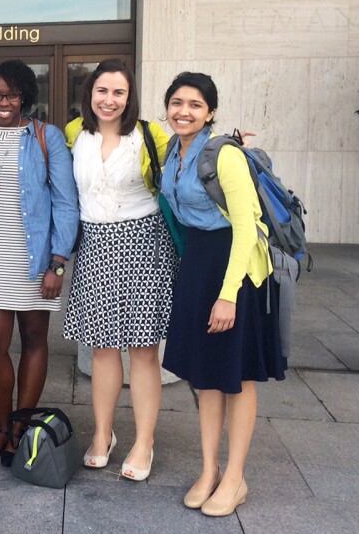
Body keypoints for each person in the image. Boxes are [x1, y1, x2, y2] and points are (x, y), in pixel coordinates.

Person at [159, 72, 285, 516]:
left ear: (210, 113)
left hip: (237, 270)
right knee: (205, 372)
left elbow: (247, 227)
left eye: (195, 104)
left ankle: (235, 478)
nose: (184, 111)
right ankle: (210, 469)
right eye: (177, 102)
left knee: (237, 373)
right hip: (197, 263)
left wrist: (228, 294)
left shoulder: (224, 155)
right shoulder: (172, 151)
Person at [61, 59, 179, 480]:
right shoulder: (75, 134)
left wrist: (228, 145)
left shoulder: (149, 134)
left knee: (144, 351)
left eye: (118, 93)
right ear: (89, 93)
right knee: (102, 348)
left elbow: (190, 156)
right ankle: (103, 434)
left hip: (146, 243)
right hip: (95, 246)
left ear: (130, 98)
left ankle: (144, 441)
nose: (109, 100)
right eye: (102, 91)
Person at [0, 60, 79, 467]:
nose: (4, 101)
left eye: (12, 94)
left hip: (35, 260)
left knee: (33, 341)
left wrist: (58, 263)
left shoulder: (47, 137)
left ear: (25, 96)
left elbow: (66, 204)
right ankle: (3, 426)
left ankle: (22, 426)